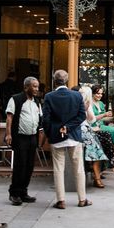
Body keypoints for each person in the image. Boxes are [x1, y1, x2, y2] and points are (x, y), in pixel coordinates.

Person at [40, 69, 91, 209]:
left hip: (56, 138)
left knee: (58, 169)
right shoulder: (76, 96)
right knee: (79, 168)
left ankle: (61, 200)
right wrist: (68, 127)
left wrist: (51, 133)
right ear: (67, 80)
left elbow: (46, 119)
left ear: (54, 80)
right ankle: (82, 199)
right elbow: (81, 116)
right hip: (74, 136)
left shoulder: (49, 96)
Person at [4, 76, 42, 206]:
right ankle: (14, 193)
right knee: (20, 166)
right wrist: (8, 134)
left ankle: (23, 192)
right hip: (20, 137)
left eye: (37, 86)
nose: (37, 89)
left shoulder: (36, 102)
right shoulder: (15, 99)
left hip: (32, 137)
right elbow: (9, 117)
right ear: (26, 87)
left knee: (29, 166)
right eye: (34, 86)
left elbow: (39, 118)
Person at [78, 85, 107, 188]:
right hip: (84, 131)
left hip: (83, 131)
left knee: (101, 145)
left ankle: (97, 176)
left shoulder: (80, 102)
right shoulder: (84, 103)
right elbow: (91, 119)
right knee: (98, 151)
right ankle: (97, 178)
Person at [90, 84, 114, 166]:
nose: (100, 95)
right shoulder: (89, 103)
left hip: (101, 125)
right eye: (98, 93)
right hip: (93, 127)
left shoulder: (100, 103)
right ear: (92, 93)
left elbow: (103, 119)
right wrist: (104, 115)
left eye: (101, 94)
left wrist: (113, 118)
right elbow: (91, 119)